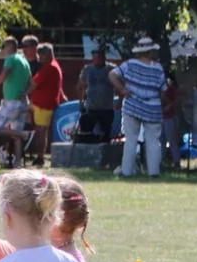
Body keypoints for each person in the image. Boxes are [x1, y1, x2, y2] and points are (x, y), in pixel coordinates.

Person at [111, 36, 167, 178]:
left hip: (132, 105)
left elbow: (112, 74)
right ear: (150, 52)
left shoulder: (130, 64)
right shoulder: (158, 68)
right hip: (153, 107)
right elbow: (163, 90)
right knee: (153, 141)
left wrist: (122, 90)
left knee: (131, 140)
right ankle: (154, 172)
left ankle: (126, 171)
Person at [0, 35, 32, 167]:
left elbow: (4, 74)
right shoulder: (24, 61)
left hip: (11, 102)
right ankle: (17, 164)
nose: (2, 50)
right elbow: (32, 83)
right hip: (23, 102)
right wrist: (24, 94)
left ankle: (23, 134)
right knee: (15, 136)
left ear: (10, 46)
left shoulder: (10, 59)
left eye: (3, 47)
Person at [25, 41, 63, 167]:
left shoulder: (48, 68)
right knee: (43, 132)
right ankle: (40, 156)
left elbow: (33, 85)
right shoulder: (55, 65)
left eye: (41, 55)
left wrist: (22, 94)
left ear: (47, 55)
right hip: (45, 104)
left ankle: (39, 157)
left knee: (40, 132)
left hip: (43, 105)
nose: (39, 58)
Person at [77, 48, 115, 142]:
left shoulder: (111, 69)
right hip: (91, 107)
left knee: (106, 134)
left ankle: (106, 154)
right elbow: (80, 86)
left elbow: (120, 84)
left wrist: (120, 100)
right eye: (95, 58)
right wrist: (81, 101)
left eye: (99, 57)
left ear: (104, 58)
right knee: (87, 133)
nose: (97, 60)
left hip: (106, 108)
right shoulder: (87, 69)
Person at [160, 71, 181, 168]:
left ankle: (176, 162)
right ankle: (160, 161)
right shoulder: (159, 90)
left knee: (172, 140)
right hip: (161, 118)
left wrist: (169, 105)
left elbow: (177, 101)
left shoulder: (172, 89)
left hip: (170, 118)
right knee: (161, 141)